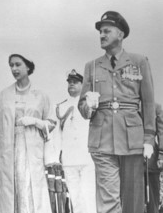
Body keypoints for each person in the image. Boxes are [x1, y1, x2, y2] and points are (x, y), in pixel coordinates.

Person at [78, 11, 156, 213]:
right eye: (100, 32)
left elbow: (148, 102)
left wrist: (149, 139)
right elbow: (83, 109)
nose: (101, 35)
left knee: (133, 200)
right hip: (102, 138)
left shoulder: (139, 62)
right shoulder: (92, 66)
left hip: (132, 139)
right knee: (108, 198)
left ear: (120, 34)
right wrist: (89, 106)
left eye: (106, 31)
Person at [0, 53, 55, 213]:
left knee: (29, 188)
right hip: (8, 150)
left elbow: (51, 123)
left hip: (31, 151)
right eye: (11, 65)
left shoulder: (41, 95)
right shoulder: (4, 95)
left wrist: (35, 121)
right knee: (8, 191)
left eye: (18, 64)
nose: (14, 68)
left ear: (28, 66)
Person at [54, 69, 96, 213]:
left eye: (75, 82)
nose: (71, 84)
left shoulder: (89, 104)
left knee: (88, 194)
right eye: (69, 82)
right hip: (69, 158)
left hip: (87, 156)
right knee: (75, 196)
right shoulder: (61, 106)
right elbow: (58, 134)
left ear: (83, 84)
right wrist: (58, 154)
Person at [145, 103, 163, 213]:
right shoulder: (128, 106)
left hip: (151, 162)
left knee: (153, 202)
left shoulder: (155, 107)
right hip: (130, 162)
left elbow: (162, 132)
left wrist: (161, 155)